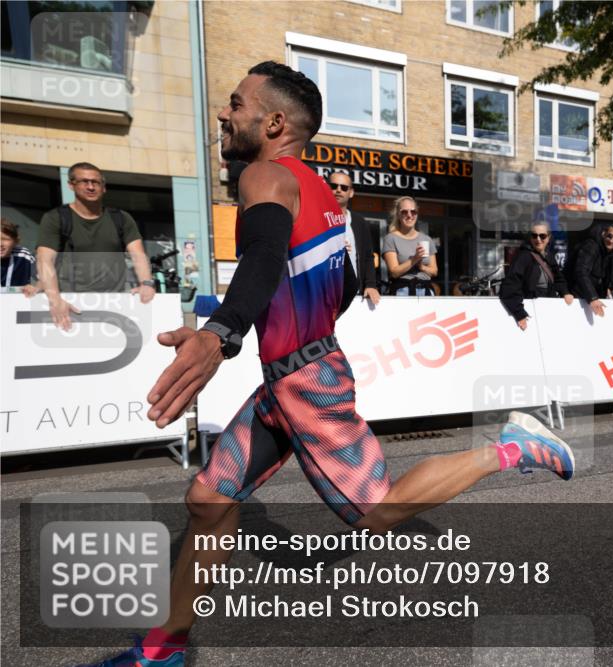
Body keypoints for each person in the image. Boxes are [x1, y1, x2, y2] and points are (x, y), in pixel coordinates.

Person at [79, 61, 575, 667]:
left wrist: (221, 333)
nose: (224, 113)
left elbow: (261, 258)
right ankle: (161, 652)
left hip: (304, 381)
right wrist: (285, 329)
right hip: (288, 378)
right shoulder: (328, 201)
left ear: (275, 122)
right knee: (209, 499)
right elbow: (334, 288)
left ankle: (511, 446)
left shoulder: (264, 174)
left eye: (236, 103)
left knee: (375, 511)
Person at [35, 162, 156, 330]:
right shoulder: (56, 218)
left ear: (104, 187)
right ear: (71, 185)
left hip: (114, 302)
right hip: (69, 301)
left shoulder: (121, 218)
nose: (91, 187)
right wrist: (55, 299)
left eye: (96, 182)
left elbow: (138, 255)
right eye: (84, 181)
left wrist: (146, 283)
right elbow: (44, 260)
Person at [499, 222, 574, 330]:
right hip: (530, 311)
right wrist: (519, 313)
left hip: (549, 309)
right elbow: (511, 285)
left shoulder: (549, 256)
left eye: (542, 236)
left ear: (549, 238)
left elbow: (559, 278)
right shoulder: (523, 256)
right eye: (534, 236)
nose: (538, 239)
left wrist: (565, 292)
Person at [328, 170, 380, 306]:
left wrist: (370, 285)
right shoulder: (317, 219)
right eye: (334, 186)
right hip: (325, 291)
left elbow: (368, 257)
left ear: (351, 192)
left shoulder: (359, 221)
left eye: (344, 187)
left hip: (354, 294)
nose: (338, 190)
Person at [381, 196, 437, 296]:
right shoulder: (391, 238)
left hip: (426, 290)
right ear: (398, 214)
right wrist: (414, 259)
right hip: (403, 290)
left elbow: (434, 271)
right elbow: (394, 272)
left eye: (413, 211)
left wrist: (421, 267)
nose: (409, 215)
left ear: (417, 214)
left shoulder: (426, 239)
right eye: (404, 212)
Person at [1, 218, 35, 289]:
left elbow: (45, 280)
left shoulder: (24, 256)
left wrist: (35, 286)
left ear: (16, 242)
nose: (0, 244)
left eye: (5, 239)